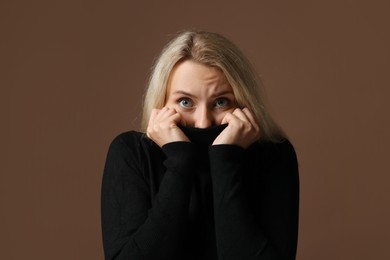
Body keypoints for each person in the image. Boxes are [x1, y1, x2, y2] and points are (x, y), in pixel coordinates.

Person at [101, 31, 299, 260]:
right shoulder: (131, 153)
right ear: (162, 102)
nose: (203, 122)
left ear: (243, 102)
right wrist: (180, 163)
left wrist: (225, 160)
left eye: (221, 102)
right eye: (185, 102)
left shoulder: (274, 155)